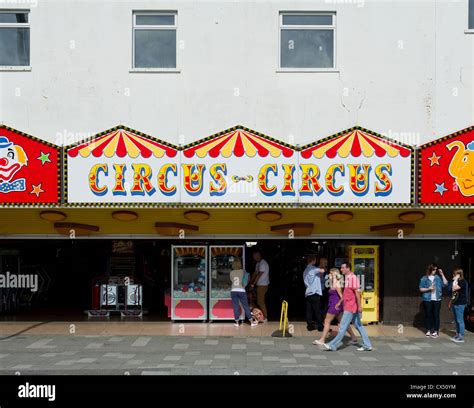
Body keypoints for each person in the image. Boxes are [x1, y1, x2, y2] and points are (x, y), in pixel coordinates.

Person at [323, 262, 373, 351]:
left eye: (343, 268)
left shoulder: (353, 278)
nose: (341, 269)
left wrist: (360, 306)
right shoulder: (348, 278)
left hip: (351, 307)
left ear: (348, 268)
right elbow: (346, 294)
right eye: (341, 268)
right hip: (350, 306)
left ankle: (332, 345)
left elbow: (357, 293)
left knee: (342, 326)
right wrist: (340, 302)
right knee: (358, 326)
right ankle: (367, 345)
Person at [313, 268, 358, 346]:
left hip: (335, 305)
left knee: (327, 321)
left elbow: (342, 296)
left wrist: (339, 304)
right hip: (335, 305)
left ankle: (322, 340)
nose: (329, 275)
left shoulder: (337, 284)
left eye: (330, 274)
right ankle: (353, 337)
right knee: (343, 323)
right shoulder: (333, 283)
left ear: (334, 274)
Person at [419, 263, 448, 338]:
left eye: (436, 269)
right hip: (427, 299)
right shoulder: (424, 278)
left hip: (437, 299)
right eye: (433, 269)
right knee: (428, 315)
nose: (435, 271)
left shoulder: (437, 277)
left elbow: (445, 284)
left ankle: (436, 331)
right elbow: (421, 289)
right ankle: (428, 330)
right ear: (430, 269)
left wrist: (442, 274)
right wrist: (429, 289)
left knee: (436, 315)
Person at [229, 258, 257, 327]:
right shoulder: (243, 271)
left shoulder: (231, 272)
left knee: (235, 307)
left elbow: (231, 280)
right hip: (241, 290)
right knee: (246, 306)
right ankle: (251, 322)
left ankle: (237, 323)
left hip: (233, 290)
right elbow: (247, 278)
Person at [303, 254, 324, 332]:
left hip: (308, 292)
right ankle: (320, 326)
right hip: (314, 293)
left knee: (309, 310)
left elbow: (319, 275)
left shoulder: (305, 270)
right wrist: (322, 265)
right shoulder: (313, 269)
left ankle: (309, 326)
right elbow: (322, 271)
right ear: (314, 260)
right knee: (317, 310)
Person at [249, 250, 270, 322]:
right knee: (259, 301)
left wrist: (253, 283)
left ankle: (265, 317)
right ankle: (261, 316)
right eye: (253, 257)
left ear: (259, 255)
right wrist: (250, 280)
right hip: (259, 285)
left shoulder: (263, 263)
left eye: (255, 256)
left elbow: (259, 275)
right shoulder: (258, 263)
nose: (254, 258)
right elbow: (255, 273)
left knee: (260, 301)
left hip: (263, 285)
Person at [449, 268, 468, 343]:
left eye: (454, 274)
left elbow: (453, 288)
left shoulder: (462, 282)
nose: (453, 275)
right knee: (456, 320)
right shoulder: (457, 281)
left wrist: (455, 280)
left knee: (460, 320)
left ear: (459, 274)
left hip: (460, 303)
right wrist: (451, 302)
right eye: (453, 274)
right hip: (455, 303)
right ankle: (457, 334)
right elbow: (452, 292)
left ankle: (461, 336)